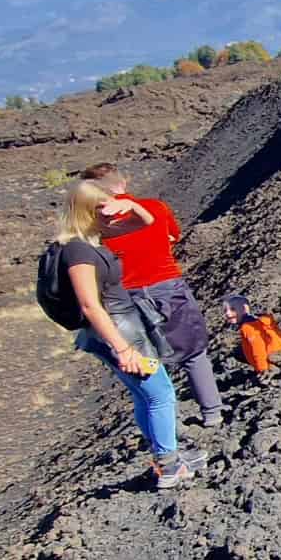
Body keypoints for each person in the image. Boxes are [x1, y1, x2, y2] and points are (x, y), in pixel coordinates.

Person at [55, 179, 199, 490]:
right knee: (160, 394)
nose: (110, 214)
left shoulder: (93, 237)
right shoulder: (79, 251)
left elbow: (145, 222)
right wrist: (122, 349)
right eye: (101, 208)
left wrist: (130, 204)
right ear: (85, 211)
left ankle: (167, 456)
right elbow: (90, 306)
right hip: (118, 332)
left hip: (121, 328)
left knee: (145, 394)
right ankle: (169, 465)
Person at [80, 162, 224, 428]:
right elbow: (172, 236)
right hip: (167, 288)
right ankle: (212, 413)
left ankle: (164, 426)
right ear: (123, 181)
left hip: (122, 298)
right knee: (193, 353)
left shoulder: (93, 226)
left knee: (145, 361)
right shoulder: (154, 208)